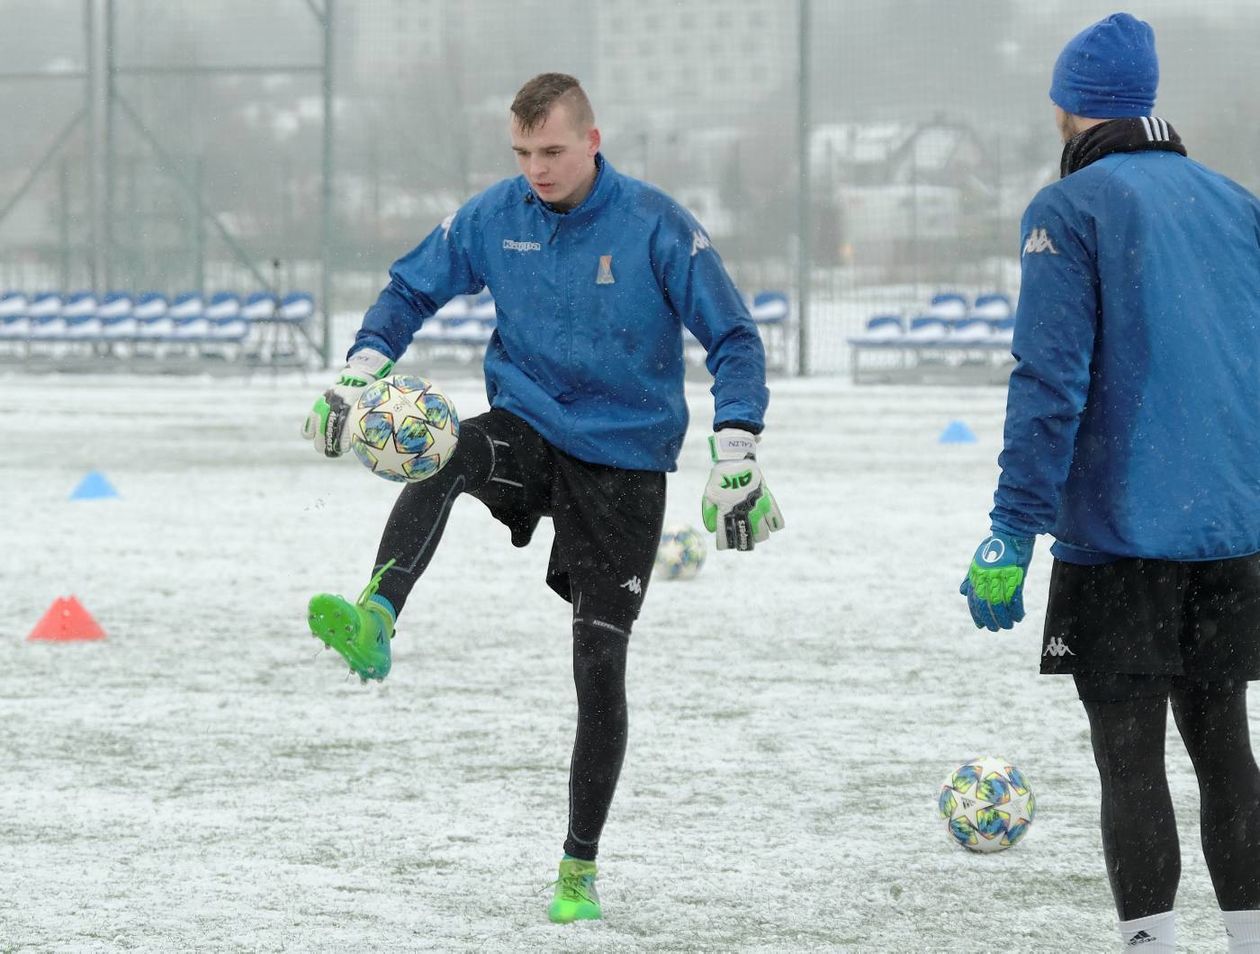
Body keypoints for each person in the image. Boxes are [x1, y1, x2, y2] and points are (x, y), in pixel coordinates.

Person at [300, 73, 784, 924]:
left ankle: (578, 870)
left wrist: (736, 443)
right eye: (522, 153)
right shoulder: (496, 216)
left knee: (598, 663)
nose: (537, 169)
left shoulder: (657, 226)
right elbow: (410, 285)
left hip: (625, 463)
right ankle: (377, 614)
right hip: (529, 428)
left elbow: (734, 337)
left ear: (592, 141)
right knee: (442, 449)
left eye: (552, 151)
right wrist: (362, 366)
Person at [959, 13, 1260, 953]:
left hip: (1124, 536)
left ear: (1066, 106)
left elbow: (1050, 381)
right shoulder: (1237, 202)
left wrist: (1012, 530)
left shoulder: (1070, 209)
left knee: (1130, 762)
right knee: (1226, 750)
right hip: (1231, 533)